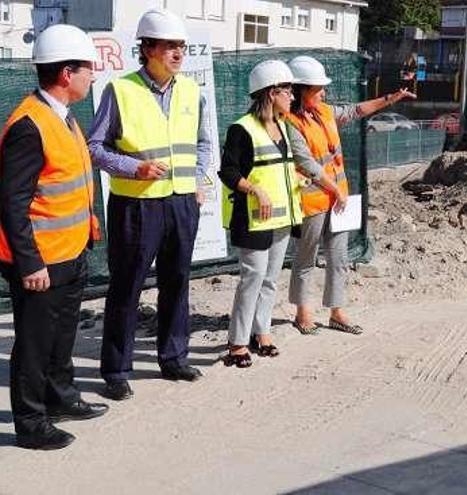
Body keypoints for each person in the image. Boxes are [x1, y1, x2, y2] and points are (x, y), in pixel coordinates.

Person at [88, 8, 211, 400]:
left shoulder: (193, 91)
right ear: (148, 49)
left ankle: (173, 357)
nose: (178, 53)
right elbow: (95, 148)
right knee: (127, 286)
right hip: (136, 206)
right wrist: (133, 168)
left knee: (177, 281)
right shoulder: (120, 91)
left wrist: (197, 179)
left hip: (181, 203)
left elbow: (205, 143)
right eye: (170, 46)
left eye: (181, 46)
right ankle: (116, 369)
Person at [0, 24, 108, 450]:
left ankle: (60, 398)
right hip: (41, 261)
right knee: (33, 343)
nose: (93, 76)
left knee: (63, 335)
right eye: (88, 69)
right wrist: (30, 264)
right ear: (67, 73)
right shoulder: (30, 124)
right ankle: (30, 422)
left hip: (72, 250)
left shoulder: (63, 117)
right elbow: (11, 204)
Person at [218, 60, 346, 367]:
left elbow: (284, 169)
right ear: (272, 93)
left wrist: (296, 181)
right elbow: (228, 171)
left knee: (271, 280)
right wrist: (255, 189)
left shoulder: (283, 128)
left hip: (281, 217)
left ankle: (262, 334)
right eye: (288, 90)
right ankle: (237, 342)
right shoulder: (242, 129)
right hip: (253, 217)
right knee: (252, 278)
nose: (293, 95)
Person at [284, 55, 416, 335]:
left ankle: (336, 311)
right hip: (313, 200)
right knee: (306, 257)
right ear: (300, 90)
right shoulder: (290, 122)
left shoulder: (324, 112)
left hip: (338, 199)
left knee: (339, 257)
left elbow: (356, 110)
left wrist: (390, 98)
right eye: (318, 88)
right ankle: (302, 312)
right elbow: (305, 163)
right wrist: (334, 190)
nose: (324, 92)